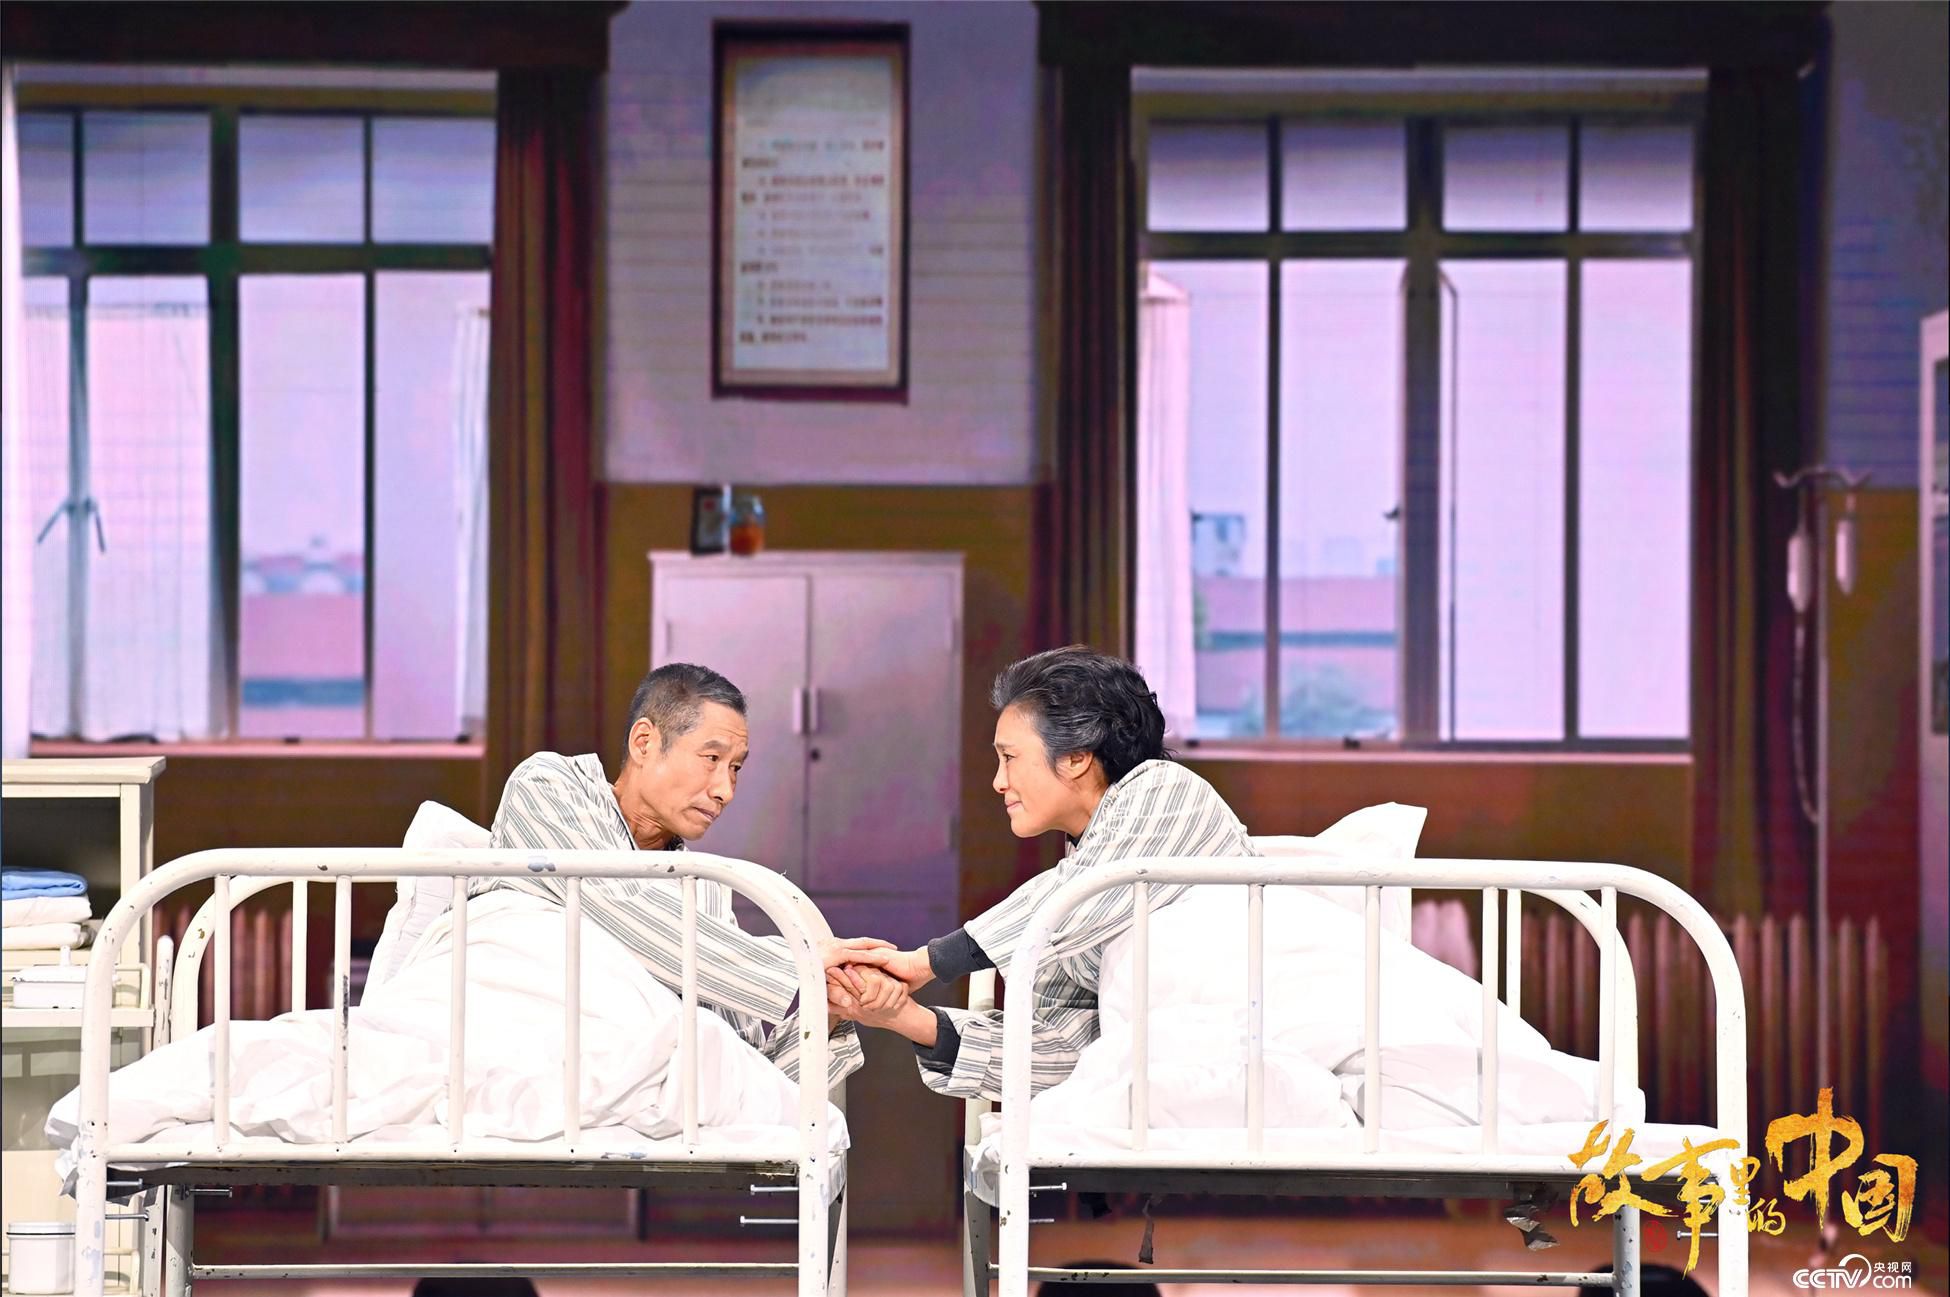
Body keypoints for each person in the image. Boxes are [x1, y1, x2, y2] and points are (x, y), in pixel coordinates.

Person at [832, 646, 1256, 1100]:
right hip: (1175, 1088)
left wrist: (925, 962)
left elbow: (1074, 901)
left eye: (1009, 757)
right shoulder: (1078, 882)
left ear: (1075, 756)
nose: (998, 781)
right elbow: (1063, 1056)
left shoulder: (1165, 790)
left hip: (1250, 1060)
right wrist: (905, 1017)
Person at [473, 662, 905, 1086]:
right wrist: (800, 961)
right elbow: (619, 909)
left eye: (735, 768)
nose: (725, 791)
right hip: (526, 1067)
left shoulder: (705, 891)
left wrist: (827, 1005)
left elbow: (748, 1067)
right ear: (644, 743)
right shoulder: (549, 785)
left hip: (647, 1101)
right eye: (711, 758)